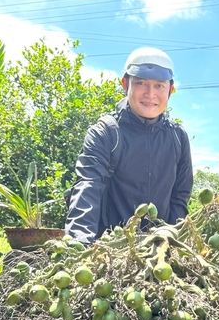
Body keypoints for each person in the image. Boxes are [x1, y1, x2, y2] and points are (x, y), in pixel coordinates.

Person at [65, 47, 193, 245]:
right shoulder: (106, 132)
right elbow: (87, 186)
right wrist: (80, 244)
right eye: (141, 83)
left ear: (171, 89)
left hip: (158, 254)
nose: (150, 94)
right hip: (108, 250)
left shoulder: (178, 137)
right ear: (125, 84)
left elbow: (180, 198)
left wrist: (174, 245)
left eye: (159, 85)